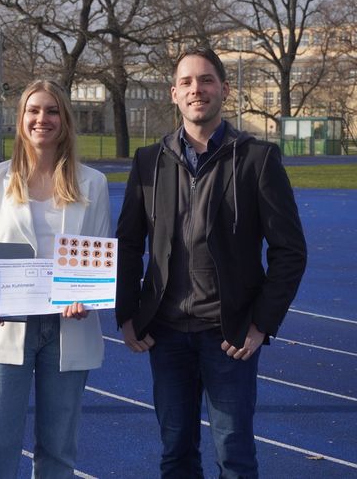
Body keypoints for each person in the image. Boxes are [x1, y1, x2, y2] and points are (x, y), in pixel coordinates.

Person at [115, 46, 307, 478]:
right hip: (165, 335)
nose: (196, 89)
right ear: (173, 93)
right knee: (175, 453)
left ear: (224, 88)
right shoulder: (150, 161)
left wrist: (260, 324)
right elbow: (127, 244)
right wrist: (126, 314)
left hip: (229, 337)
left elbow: (290, 251)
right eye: (186, 82)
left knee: (234, 455)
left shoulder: (257, 159)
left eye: (205, 80)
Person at [0, 80, 111, 478]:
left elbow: (97, 258)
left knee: (58, 453)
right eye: (34, 110)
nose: (43, 119)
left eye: (52, 111)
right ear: (21, 119)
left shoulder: (92, 183)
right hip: (6, 328)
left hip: (69, 328)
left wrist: (87, 298)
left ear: (65, 120)